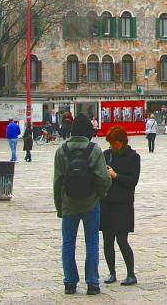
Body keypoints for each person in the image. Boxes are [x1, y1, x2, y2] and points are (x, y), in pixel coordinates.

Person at [54, 113, 111, 296]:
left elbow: (57, 182)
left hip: (69, 204)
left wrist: (59, 207)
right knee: (92, 243)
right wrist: (100, 194)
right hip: (90, 203)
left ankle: (70, 283)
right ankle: (92, 283)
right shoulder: (94, 150)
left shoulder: (61, 150)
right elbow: (103, 178)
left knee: (68, 244)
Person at [101, 126, 141, 286]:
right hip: (106, 202)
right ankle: (112, 273)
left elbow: (133, 181)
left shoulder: (133, 157)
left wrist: (116, 175)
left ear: (122, 141)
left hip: (123, 204)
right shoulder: (106, 155)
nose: (111, 145)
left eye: (113, 142)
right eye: (109, 143)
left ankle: (131, 274)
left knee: (122, 240)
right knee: (107, 239)